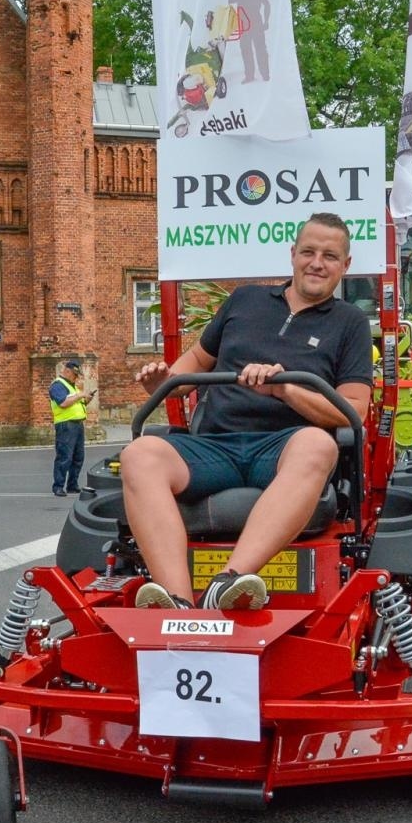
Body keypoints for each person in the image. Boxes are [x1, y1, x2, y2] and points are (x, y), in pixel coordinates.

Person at [123, 213, 372, 611]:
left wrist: (284, 390)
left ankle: (228, 582)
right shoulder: (244, 300)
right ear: (292, 254)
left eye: (329, 256)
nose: (316, 263)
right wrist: (163, 381)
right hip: (215, 447)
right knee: (138, 454)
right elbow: (192, 366)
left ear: (345, 265)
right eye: (308, 252)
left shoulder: (350, 322)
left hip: (282, 448)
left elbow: (353, 411)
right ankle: (177, 601)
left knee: (317, 444)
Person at [49, 360, 95, 498]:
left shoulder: (72, 387)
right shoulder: (57, 385)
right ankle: (58, 486)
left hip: (77, 424)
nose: (76, 377)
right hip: (65, 425)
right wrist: (80, 395)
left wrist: (87, 399)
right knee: (65, 457)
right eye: (75, 375)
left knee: (78, 457)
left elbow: (78, 404)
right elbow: (63, 403)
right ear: (67, 371)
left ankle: (72, 485)